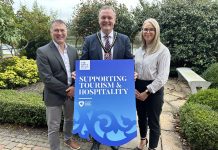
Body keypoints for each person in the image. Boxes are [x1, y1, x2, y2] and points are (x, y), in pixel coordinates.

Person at [79, 5, 134, 150]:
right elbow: (84, 61)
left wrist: (132, 73)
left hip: (116, 87)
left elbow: (129, 61)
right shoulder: (90, 39)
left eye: (109, 17)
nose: (106, 20)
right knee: (97, 113)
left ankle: (113, 141)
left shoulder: (124, 39)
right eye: (103, 17)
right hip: (97, 86)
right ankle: (96, 141)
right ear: (99, 20)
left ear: (114, 20)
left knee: (115, 112)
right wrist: (78, 73)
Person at [36, 19, 80, 150]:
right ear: (51, 32)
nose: (59, 33)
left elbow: (78, 71)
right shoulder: (42, 51)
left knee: (69, 119)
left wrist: (75, 86)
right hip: (54, 94)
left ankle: (67, 139)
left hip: (71, 93)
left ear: (67, 32)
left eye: (62, 30)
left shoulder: (73, 51)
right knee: (53, 126)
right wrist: (68, 90)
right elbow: (47, 78)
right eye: (56, 30)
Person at [134, 18, 171, 150]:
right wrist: (132, 83)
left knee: (154, 121)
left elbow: (162, 77)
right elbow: (133, 70)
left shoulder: (163, 51)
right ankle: (143, 141)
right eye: (145, 29)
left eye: (151, 29)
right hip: (138, 88)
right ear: (142, 31)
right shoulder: (139, 50)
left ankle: (153, 147)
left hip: (154, 90)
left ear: (156, 31)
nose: (147, 32)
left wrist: (147, 92)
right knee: (141, 117)